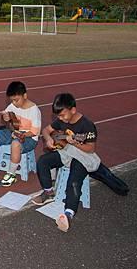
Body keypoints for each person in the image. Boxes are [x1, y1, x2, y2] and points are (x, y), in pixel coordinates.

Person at [31, 92, 129, 232]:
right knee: (42, 161)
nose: (60, 118)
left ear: (73, 110)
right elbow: (46, 130)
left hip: (82, 156)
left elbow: (90, 149)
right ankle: (48, 192)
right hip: (66, 152)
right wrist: (49, 139)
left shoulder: (87, 125)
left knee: (74, 180)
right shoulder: (62, 120)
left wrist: (74, 142)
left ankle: (68, 214)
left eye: (63, 115)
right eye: (58, 116)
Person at [0, 81, 41, 186]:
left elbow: (35, 132)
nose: (14, 103)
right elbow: (7, 119)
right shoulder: (12, 106)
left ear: (25, 95)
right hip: (14, 132)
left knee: (15, 144)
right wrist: (5, 117)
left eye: (16, 100)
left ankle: (11, 174)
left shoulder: (34, 110)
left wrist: (20, 135)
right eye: (12, 100)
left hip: (29, 138)